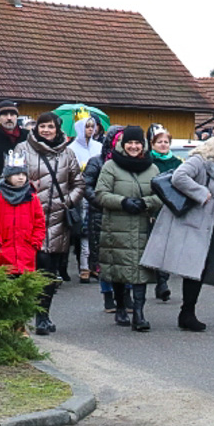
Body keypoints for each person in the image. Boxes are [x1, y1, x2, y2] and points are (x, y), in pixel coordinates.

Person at [140, 136, 214, 331]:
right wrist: (201, 192)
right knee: (193, 271)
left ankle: (188, 311)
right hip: (191, 225)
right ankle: (186, 313)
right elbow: (178, 177)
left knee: (196, 272)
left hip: (203, 226)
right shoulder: (199, 161)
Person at [15, 112, 84, 335]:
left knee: (49, 272)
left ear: (57, 129)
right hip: (29, 219)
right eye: (42, 126)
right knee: (28, 270)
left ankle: (43, 315)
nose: (46, 130)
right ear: (36, 129)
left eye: (50, 127)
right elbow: (9, 180)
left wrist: (67, 201)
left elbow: (79, 184)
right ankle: (21, 317)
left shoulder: (68, 153)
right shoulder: (22, 150)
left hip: (57, 220)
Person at [95, 125, 163, 332]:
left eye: (137, 143)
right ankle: (121, 306)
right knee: (119, 270)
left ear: (143, 145)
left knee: (141, 271)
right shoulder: (111, 166)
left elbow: (161, 195)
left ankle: (139, 315)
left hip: (143, 225)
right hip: (117, 226)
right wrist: (123, 202)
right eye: (129, 143)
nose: (133, 146)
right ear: (123, 145)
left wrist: (146, 203)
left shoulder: (152, 168)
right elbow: (101, 194)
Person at [83, 125, 125, 312]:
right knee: (105, 258)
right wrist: (102, 201)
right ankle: (108, 294)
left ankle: (126, 295)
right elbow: (86, 186)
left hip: (125, 214)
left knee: (126, 258)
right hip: (101, 214)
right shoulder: (97, 162)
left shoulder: (131, 163)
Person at [0, 153, 45, 275]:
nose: (21, 177)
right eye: (16, 174)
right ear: (7, 176)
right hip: (3, 252)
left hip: (26, 251)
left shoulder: (32, 198)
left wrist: (35, 242)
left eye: (23, 174)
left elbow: (40, 223)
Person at [147, 123, 185, 302]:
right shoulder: (148, 161)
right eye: (159, 142)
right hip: (154, 208)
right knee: (158, 246)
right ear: (152, 144)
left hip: (172, 208)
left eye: (166, 142)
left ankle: (163, 281)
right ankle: (160, 281)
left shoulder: (177, 162)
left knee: (169, 248)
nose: (163, 145)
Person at [70, 115, 103, 283]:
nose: (91, 129)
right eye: (87, 126)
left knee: (96, 231)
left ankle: (95, 265)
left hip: (97, 192)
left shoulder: (99, 147)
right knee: (84, 232)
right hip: (81, 193)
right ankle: (84, 266)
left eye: (93, 126)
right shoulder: (72, 148)